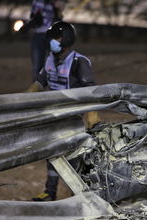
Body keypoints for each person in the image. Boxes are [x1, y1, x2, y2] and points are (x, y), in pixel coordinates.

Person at [27, 21, 95, 201]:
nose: (52, 42)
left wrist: (91, 115)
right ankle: (50, 192)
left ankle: (81, 194)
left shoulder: (79, 62)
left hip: (73, 117)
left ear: (66, 39)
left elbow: (91, 91)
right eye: (51, 39)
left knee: (74, 157)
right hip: (55, 116)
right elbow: (39, 83)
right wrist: (23, 100)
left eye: (56, 39)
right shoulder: (50, 59)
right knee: (52, 154)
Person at [28, 0, 63, 81]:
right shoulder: (36, 2)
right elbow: (33, 17)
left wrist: (56, 7)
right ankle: (36, 90)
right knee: (37, 66)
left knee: (55, 64)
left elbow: (61, 8)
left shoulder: (55, 3)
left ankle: (56, 88)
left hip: (52, 36)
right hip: (38, 36)